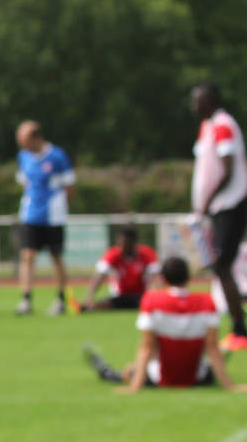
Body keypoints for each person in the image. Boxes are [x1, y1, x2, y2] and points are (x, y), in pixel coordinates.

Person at [83, 257, 243, 392]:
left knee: (142, 360)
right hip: (197, 377)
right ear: (188, 278)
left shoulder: (152, 301)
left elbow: (146, 347)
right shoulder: (206, 303)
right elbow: (212, 347)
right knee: (221, 350)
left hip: (160, 377)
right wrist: (230, 386)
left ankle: (112, 373)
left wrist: (134, 386)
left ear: (164, 279)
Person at [190, 82, 247, 350]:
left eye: (197, 100)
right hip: (218, 207)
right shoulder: (207, 126)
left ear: (210, 100)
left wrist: (209, 198)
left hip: (230, 204)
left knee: (222, 264)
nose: (194, 105)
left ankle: (239, 329)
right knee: (221, 265)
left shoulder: (223, 124)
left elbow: (227, 168)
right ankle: (238, 325)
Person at [14, 120, 76, 316]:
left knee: (55, 256)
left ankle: (60, 299)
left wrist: (61, 207)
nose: (22, 145)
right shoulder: (23, 157)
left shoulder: (58, 156)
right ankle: (26, 299)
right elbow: (25, 182)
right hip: (31, 213)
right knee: (27, 255)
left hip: (53, 215)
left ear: (36, 137)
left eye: (24, 140)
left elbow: (69, 185)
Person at [81, 225, 160, 311]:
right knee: (98, 305)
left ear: (133, 242)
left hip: (140, 296)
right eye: (120, 241)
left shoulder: (147, 253)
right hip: (119, 296)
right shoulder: (112, 254)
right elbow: (99, 275)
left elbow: (157, 276)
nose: (121, 245)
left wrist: (160, 295)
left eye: (125, 242)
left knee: (153, 304)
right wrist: (90, 295)